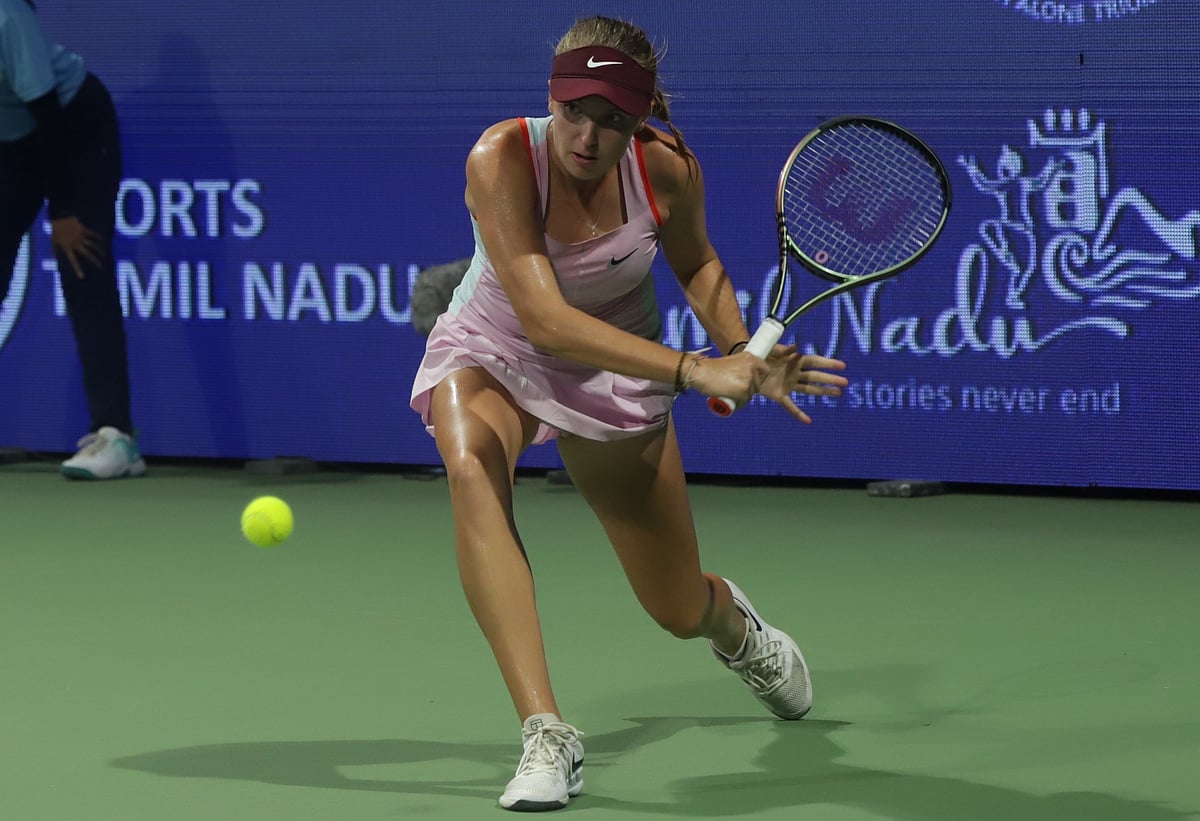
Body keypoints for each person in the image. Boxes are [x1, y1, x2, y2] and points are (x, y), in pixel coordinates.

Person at [410, 16, 848, 812]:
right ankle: (547, 732)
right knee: (470, 462)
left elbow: (697, 262)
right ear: (551, 96)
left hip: (615, 373)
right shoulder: (501, 157)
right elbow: (544, 320)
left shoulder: (667, 169)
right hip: (496, 345)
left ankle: (736, 630)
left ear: (640, 119)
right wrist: (697, 368)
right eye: (574, 110)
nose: (587, 136)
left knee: (675, 606)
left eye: (612, 119)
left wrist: (741, 350)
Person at [0, 0, 143, 479]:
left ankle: (116, 436)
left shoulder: (6, 16)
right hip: (12, 143)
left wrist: (62, 210)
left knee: (83, 266)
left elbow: (46, 110)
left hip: (73, 128)